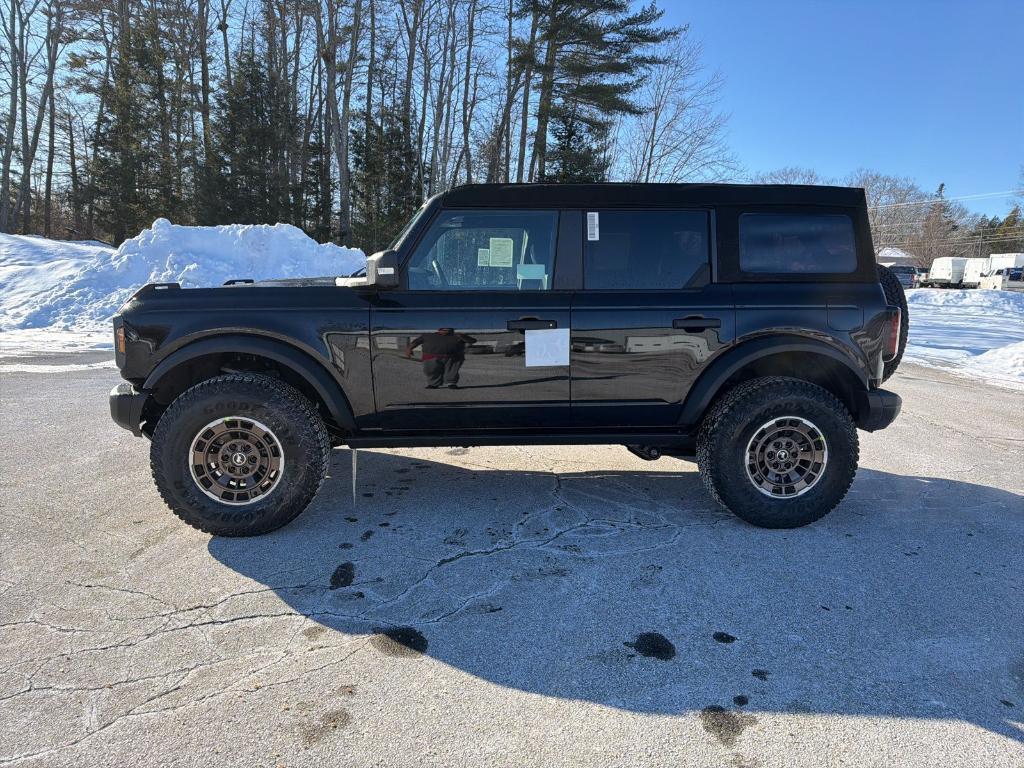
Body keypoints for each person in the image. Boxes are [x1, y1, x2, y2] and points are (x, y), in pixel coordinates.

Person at [405, 328, 477, 388]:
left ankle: (451, 383)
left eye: (448, 329)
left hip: (454, 357)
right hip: (430, 356)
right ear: (439, 329)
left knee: (452, 371)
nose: (445, 330)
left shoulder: (458, 335)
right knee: (431, 370)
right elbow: (416, 342)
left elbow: (473, 341)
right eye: (443, 329)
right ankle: (433, 384)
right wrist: (409, 349)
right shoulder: (428, 335)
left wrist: (463, 336)